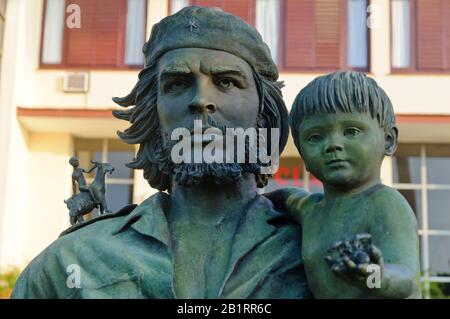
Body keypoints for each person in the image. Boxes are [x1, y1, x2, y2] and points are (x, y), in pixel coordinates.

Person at [11, 6, 311, 299]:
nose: (200, 99)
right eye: (177, 84)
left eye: (226, 82)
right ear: (153, 111)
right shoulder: (70, 261)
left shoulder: (316, 249)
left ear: (265, 111)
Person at [267, 71, 421, 298]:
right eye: (315, 137)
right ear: (302, 154)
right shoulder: (310, 210)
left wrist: (373, 276)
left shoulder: (385, 203)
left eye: (351, 131)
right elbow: (284, 198)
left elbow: (406, 276)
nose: (333, 145)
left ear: (388, 140)